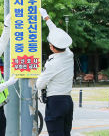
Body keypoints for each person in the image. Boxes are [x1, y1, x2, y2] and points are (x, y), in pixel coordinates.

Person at [36, 8, 74, 136]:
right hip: (67, 101)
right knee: (65, 133)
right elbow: (57, 34)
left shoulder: (52, 64)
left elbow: (39, 85)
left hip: (56, 103)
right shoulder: (69, 54)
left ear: (51, 47)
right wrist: (46, 17)